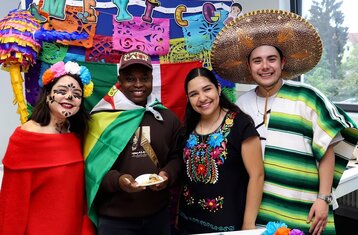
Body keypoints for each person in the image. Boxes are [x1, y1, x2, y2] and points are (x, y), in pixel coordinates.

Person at [211, 9, 358, 235]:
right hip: (260, 209)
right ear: (249, 67)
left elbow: (327, 147)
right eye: (257, 61)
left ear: (283, 62)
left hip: (305, 206)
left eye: (271, 59)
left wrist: (323, 198)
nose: (265, 66)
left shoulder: (307, 97)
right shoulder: (242, 104)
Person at [83, 49, 184, 235]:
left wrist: (167, 174)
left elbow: (178, 157)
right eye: (130, 78)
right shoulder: (101, 119)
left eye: (144, 78)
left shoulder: (167, 118)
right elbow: (92, 168)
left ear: (152, 80)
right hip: (114, 221)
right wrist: (118, 181)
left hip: (157, 216)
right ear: (120, 81)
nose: (138, 84)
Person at [0, 61, 95, 234]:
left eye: (76, 94)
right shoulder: (25, 137)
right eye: (61, 91)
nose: (69, 97)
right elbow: (12, 203)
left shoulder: (75, 134)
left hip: (72, 227)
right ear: (47, 94)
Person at [177, 67, 264, 234]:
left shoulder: (240, 125)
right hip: (189, 221)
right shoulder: (188, 128)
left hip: (228, 223)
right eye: (194, 94)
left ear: (218, 88)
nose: (202, 98)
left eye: (207, 89)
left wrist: (248, 224)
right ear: (188, 99)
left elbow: (257, 176)